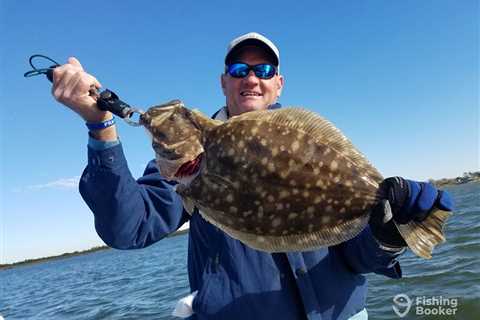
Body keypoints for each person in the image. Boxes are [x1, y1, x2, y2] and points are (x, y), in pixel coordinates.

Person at [52, 32, 453, 320]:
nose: (251, 77)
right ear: (224, 81)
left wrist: (389, 232)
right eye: (239, 68)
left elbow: (354, 255)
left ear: (277, 84)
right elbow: (129, 227)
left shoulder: (308, 152)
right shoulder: (186, 164)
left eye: (263, 69)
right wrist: (100, 127)